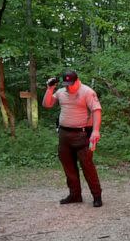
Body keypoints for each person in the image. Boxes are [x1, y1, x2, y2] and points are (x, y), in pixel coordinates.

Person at [43, 70, 103, 207]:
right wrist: (50, 88)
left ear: (77, 80)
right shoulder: (61, 92)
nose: (69, 87)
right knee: (68, 166)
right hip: (64, 135)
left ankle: (97, 195)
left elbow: (96, 110)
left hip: (83, 135)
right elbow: (47, 104)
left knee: (87, 166)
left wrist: (96, 131)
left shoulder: (87, 92)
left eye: (71, 83)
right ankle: (75, 194)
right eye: (66, 84)